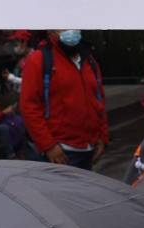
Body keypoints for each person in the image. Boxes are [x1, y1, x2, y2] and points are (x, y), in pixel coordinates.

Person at [19, 29, 108, 170]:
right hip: (61, 153)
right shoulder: (38, 60)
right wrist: (48, 145)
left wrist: (103, 137)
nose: (70, 29)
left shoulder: (89, 61)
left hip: (89, 149)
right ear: (50, 31)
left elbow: (99, 100)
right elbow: (29, 106)